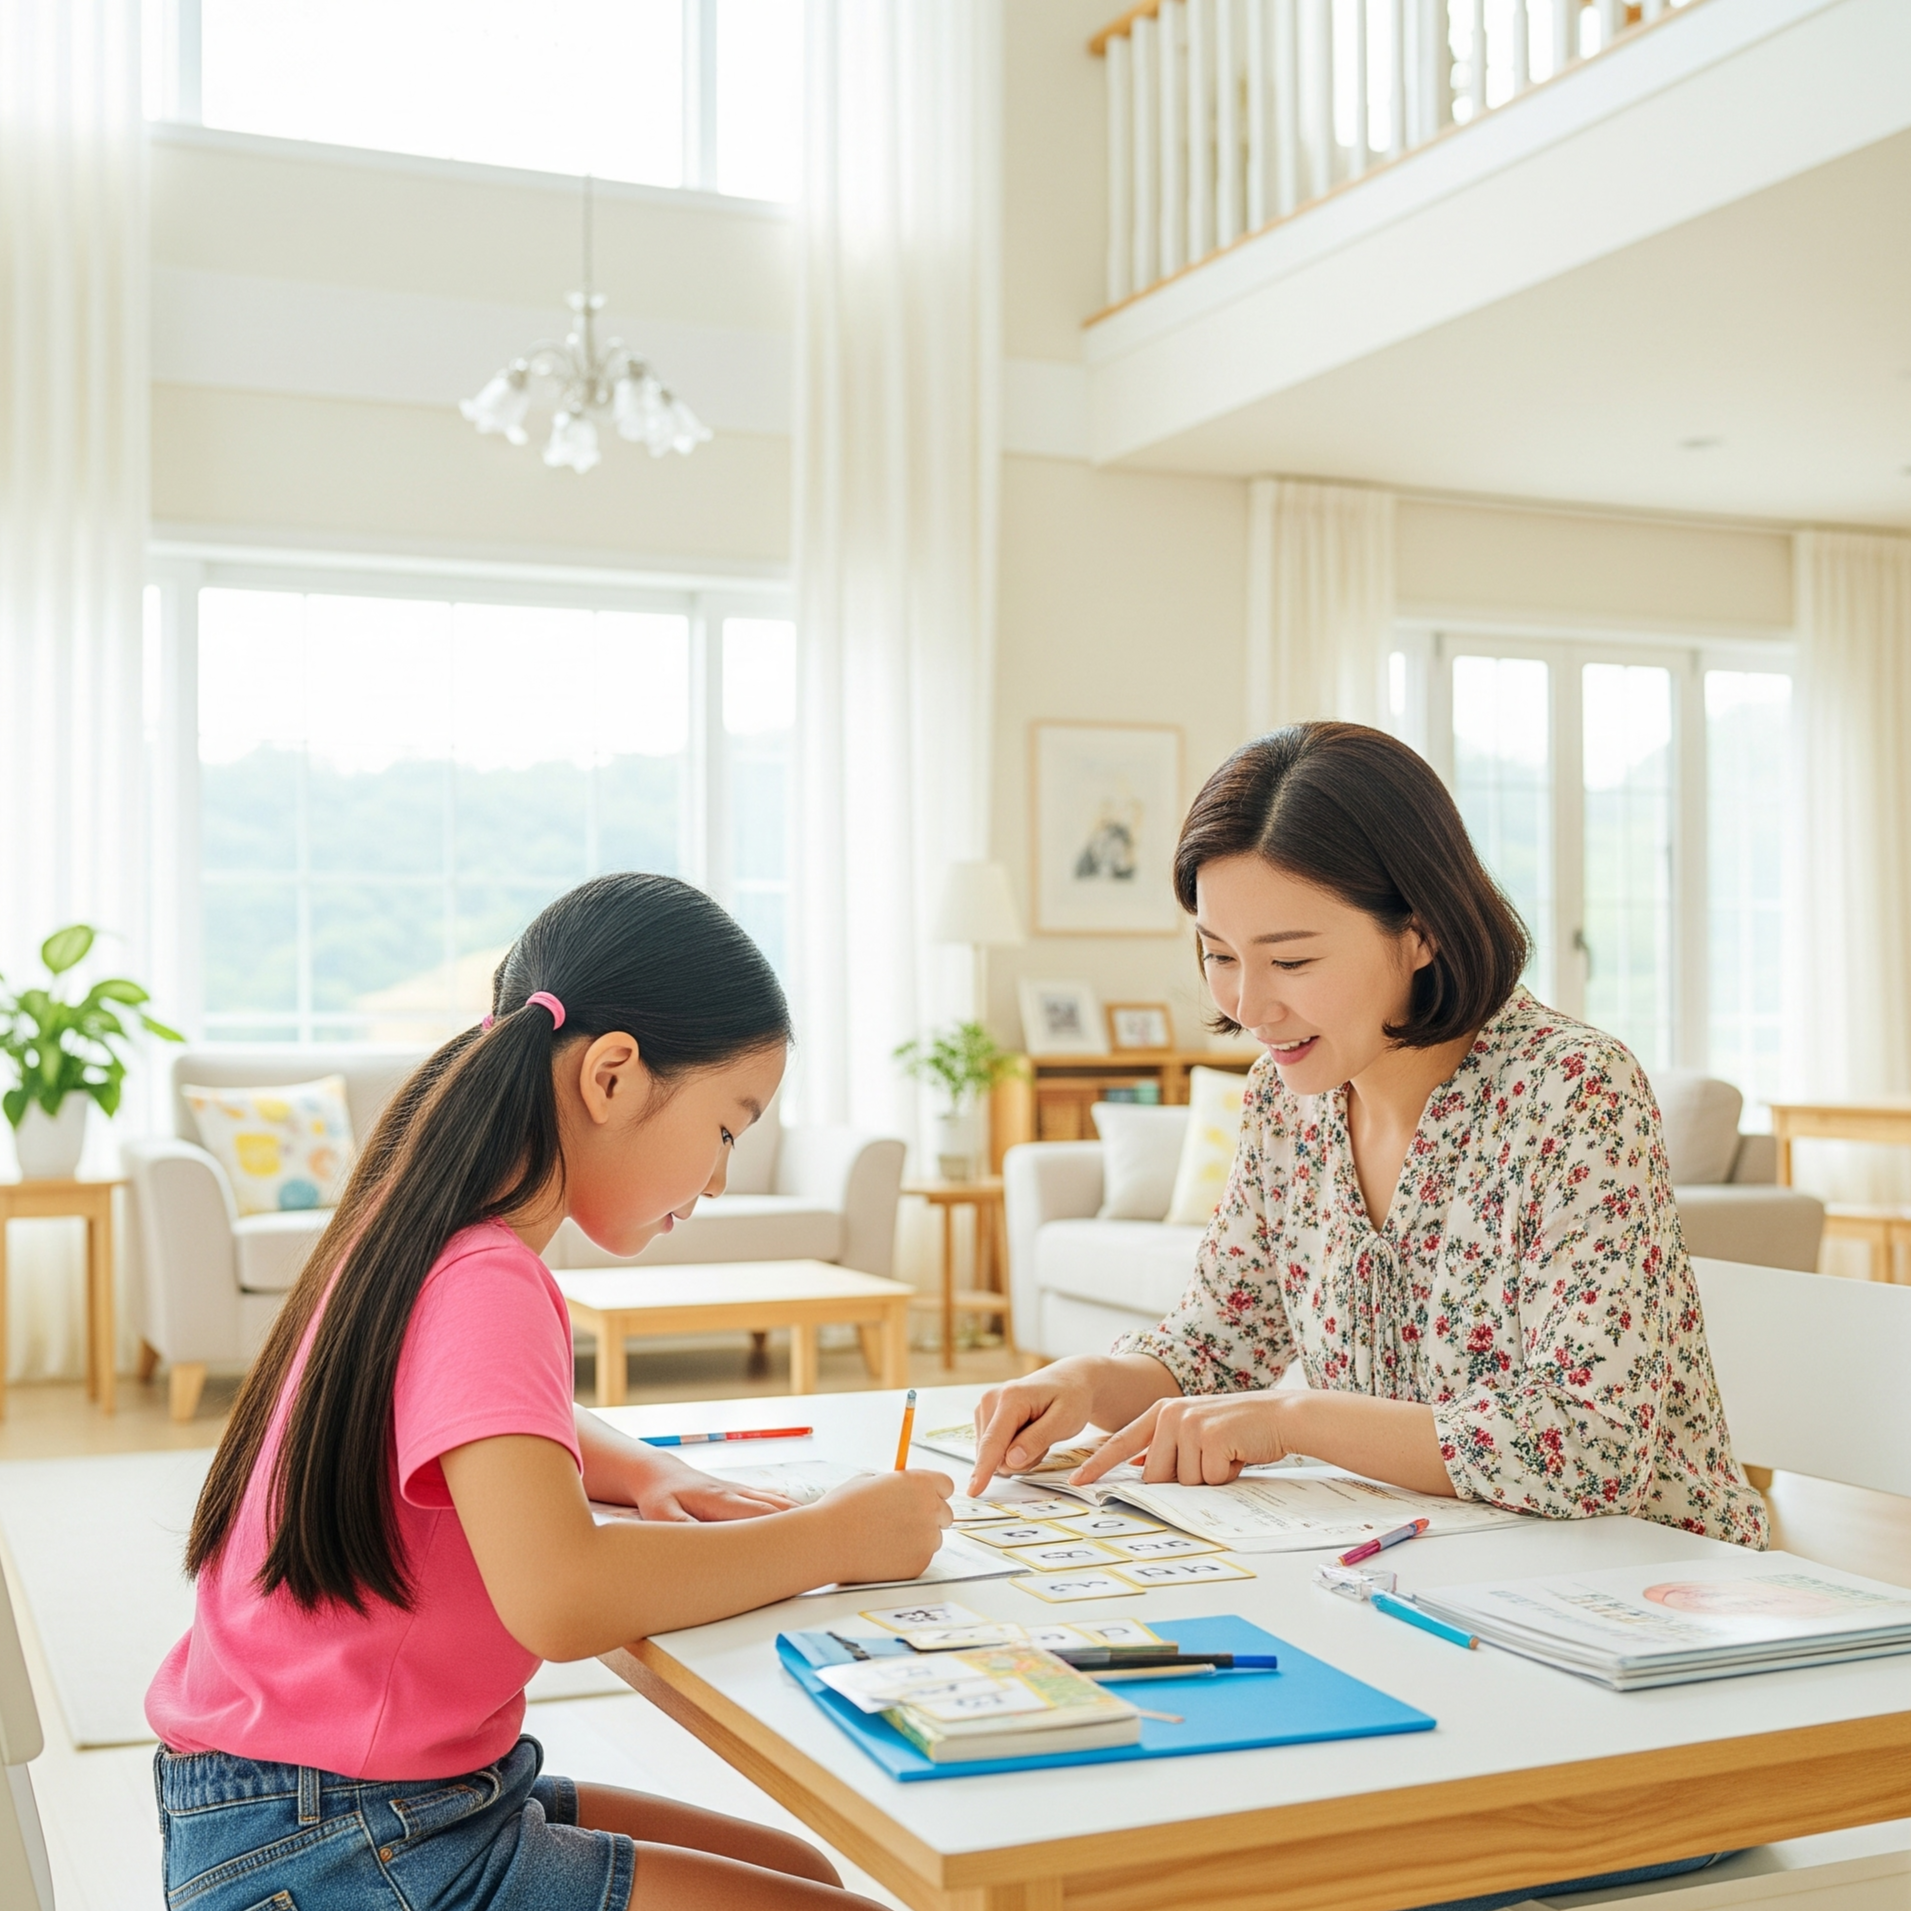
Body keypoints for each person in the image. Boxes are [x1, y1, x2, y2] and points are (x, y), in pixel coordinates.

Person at [148, 872, 950, 1911]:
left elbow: (484, 1414)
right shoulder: (489, 1275)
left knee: (800, 1875)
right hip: (343, 1836)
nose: (718, 1183)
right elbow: (563, 1598)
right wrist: (840, 1538)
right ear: (613, 1076)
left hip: (305, 1805)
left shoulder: (424, 1230)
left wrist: (648, 1472)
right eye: (725, 1130)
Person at [970, 721, 1766, 1549]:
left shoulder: (1572, 1093)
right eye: (1219, 954)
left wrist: (1292, 1419)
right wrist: (1087, 1379)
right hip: (1413, 1566)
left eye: (1292, 960)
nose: (1249, 1005)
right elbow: (1218, 1341)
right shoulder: (1283, 1105)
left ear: (1419, 930)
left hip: (1633, 1581)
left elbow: (1588, 1448)